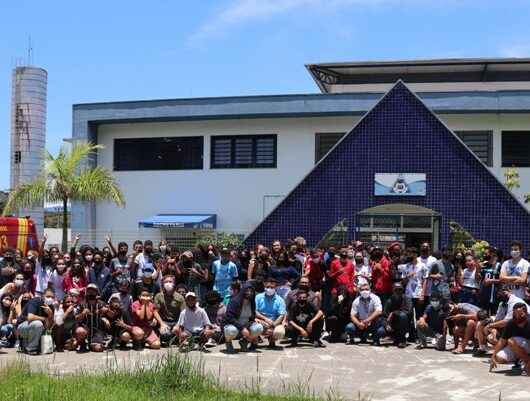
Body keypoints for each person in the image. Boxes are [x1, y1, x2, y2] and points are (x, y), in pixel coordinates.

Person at [475, 284, 530, 355]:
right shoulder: (502, 303)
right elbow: (497, 320)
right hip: (511, 327)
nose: (502, 293)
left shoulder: (514, 302)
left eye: (504, 291)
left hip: (523, 329)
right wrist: (493, 329)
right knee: (481, 324)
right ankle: (483, 348)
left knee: (491, 336)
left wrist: (489, 326)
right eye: (500, 292)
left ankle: (509, 349)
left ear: (510, 291)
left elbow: (507, 322)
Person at [490, 303, 530, 375]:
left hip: (527, 345)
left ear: (526, 313)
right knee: (499, 358)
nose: (517, 316)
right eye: (515, 314)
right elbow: (502, 341)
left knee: (511, 341)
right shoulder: (511, 323)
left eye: (520, 314)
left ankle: (527, 362)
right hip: (518, 345)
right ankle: (521, 360)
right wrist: (493, 356)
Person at [222, 284, 263, 353]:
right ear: (242, 291)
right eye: (247, 291)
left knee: (259, 327)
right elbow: (229, 317)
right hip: (233, 325)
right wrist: (242, 328)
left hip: (246, 324)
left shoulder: (252, 303)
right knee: (232, 330)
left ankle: (245, 342)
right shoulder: (234, 301)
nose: (249, 293)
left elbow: (251, 316)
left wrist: (254, 321)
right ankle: (228, 342)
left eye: (251, 291)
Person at [399, 247, 428, 338]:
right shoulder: (406, 266)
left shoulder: (422, 265)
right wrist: (408, 276)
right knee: (409, 314)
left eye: (411, 253)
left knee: (419, 314)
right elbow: (403, 282)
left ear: (415, 254)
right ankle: (411, 335)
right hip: (408, 294)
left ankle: (420, 335)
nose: (409, 255)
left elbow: (425, 280)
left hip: (418, 293)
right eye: (408, 254)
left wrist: (423, 294)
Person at [17, 288, 55, 355]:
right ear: (43, 296)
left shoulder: (51, 307)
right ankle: (31, 348)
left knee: (40, 325)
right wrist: (44, 319)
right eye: (48, 296)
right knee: (38, 323)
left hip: (36, 329)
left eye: (52, 297)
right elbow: (30, 317)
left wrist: (50, 315)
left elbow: (48, 327)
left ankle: (26, 344)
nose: (50, 299)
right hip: (22, 328)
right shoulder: (35, 301)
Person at [73, 283, 108, 352]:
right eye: (89, 291)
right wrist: (83, 313)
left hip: (97, 331)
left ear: (97, 292)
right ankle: (82, 344)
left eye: (93, 291)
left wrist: (106, 315)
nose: (91, 292)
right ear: (86, 292)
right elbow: (76, 318)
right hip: (85, 330)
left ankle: (91, 344)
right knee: (80, 331)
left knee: (98, 349)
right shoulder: (81, 304)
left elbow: (112, 314)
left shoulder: (102, 303)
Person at [255, 277, 286, 348]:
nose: (269, 289)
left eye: (272, 287)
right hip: (261, 321)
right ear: (264, 286)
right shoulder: (258, 297)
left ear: (275, 288)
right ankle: (254, 342)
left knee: (280, 332)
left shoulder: (280, 300)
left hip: (274, 323)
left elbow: (281, 315)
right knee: (254, 327)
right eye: (267, 287)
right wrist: (265, 320)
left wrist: (272, 326)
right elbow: (255, 311)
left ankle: (272, 341)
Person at [154, 275, 185, 345]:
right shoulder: (158, 296)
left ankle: (175, 337)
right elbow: (155, 311)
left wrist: (178, 325)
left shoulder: (180, 297)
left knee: (179, 334)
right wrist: (162, 324)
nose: (168, 283)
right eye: (166, 282)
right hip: (164, 321)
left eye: (170, 281)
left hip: (176, 321)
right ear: (163, 284)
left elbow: (183, 313)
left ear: (174, 284)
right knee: (165, 335)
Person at [383, 283, 411, 348]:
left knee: (403, 316)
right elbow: (384, 315)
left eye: (400, 289)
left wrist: (393, 313)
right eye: (396, 290)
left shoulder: (407, 299)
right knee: (380, 332)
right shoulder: (389, 300)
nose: (398, 292)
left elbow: (408, 312)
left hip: (405, 323)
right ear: (392, 290)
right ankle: (394, 337)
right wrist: (386, 324)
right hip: (393, 323)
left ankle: (402, 340)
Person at [479, 247, 501, 314]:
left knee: (493, 314)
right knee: (483, 314)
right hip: (484, 294)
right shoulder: (484, 265)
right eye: (484, 254)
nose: (485, 255)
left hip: (494, 295)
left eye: (486, 253)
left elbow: (502, 280)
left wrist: (491, 281)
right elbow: (479, 278)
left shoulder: (499, 265)